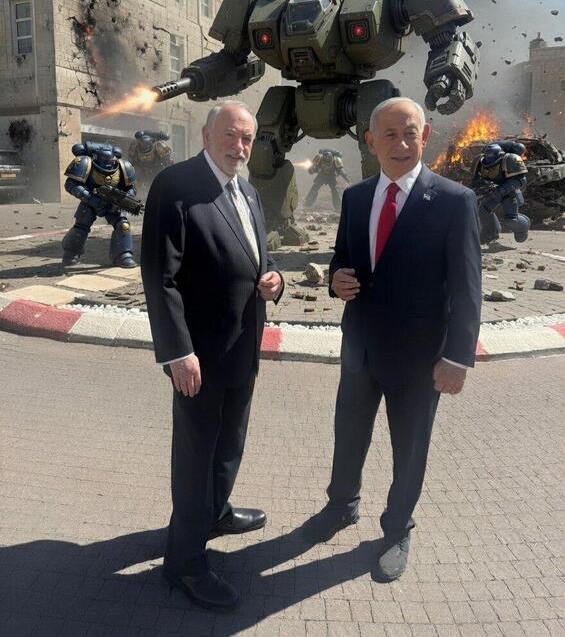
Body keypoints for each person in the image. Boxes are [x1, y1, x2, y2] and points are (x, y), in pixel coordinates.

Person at [303, 97, 482, 583]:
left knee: (410, 448)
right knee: (348, 435)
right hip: (360, 350)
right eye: (390, 134)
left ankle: (398, 528)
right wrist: (336, 278)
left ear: (426, 137)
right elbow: (343, 257)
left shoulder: (454, 201)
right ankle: (341, 506)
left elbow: (467, 287)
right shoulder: (356, 197)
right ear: (370, 141)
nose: (401, 144)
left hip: (420, 359)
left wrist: (457, 357)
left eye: (410, 134)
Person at [140, 101, 283, 611]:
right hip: (198, 357)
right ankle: (184, 563)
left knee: (229, 442)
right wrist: (178, 351)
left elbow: (257, 256)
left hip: (242, 348)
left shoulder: (248, 190)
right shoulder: (175, 186)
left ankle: (216, 513)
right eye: (230, 135)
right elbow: (159, 276)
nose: (238, 147)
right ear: (205, 135)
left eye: (247, 139)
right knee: (195, 456)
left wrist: (275, 278)